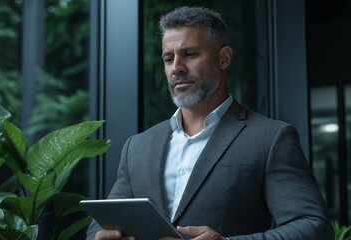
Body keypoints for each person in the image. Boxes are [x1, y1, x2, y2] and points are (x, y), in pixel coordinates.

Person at [86, 6, 334, 240]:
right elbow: (102, 224)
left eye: (190, 54)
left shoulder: (271, 138)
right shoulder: (137, 147)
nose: (177, 68)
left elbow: (313, 226)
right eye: (168, 58)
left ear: (224, 58)